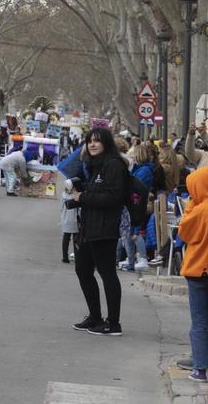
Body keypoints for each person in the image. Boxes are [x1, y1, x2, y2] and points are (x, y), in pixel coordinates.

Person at [68, 127, 130, 336]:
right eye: (89, 141)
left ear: (106, 143)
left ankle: (113, 323)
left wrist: (83, 198)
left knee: (107, 274)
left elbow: (114, 197)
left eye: (97, 141)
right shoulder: (97, 165)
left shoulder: (114, 164)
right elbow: (97, 191)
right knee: (83, 270)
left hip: (104, 229)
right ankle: (95, 317)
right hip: (89, 228)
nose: (92, 145)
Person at [180, 167, 208, 381]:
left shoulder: (200, 210)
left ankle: (200, 368)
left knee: (199, 321)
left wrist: (192, 204)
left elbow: (185, 232)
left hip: (198, 271)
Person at [120, 143, 153, 272]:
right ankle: (131, 258)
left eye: (133, 155)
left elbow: (136, 185)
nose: (131, 157)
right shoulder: (140, 169)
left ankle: (142, 258)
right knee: (130, 231)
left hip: (138, 202)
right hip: (135, 201)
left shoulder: (143, 171)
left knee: (135, 232)